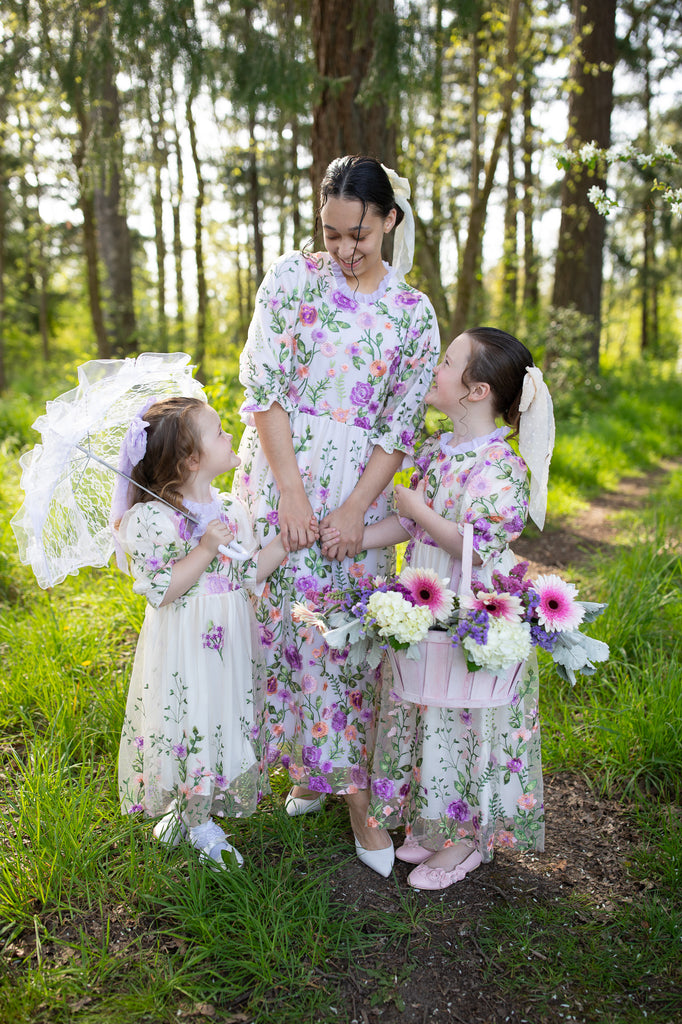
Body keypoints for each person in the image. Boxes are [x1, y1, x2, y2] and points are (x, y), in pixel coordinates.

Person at [232, 155, 440, 876]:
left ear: (389, 221)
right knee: (276, 626)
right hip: (281, 468)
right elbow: (263, 386)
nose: (345, 249)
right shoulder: (292, 278)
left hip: (360, 488)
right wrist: (289, 492)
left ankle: (356, 796)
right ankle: (305, 767)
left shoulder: (413, 313)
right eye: (332, 233)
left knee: (344, 639)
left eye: (359, 234)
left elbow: (400, 423)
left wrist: (354, 509)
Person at [322, 327, 553, 889]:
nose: (435, 368)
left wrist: (420, 510)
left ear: (476, 391)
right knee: (428, 707)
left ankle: (467, 838)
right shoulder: (438, 449)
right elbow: (409, 524)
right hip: (428, 596)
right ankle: (434, 820)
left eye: (448, 362)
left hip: (470, 607)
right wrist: (354, 536)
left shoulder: (500, 464)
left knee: (465, 712)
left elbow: (478, 546)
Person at [114, 396, 297, 869]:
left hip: (228, 638)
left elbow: (249, 571)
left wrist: (286, 541)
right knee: (189, 717)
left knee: (221, 713)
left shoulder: (231, 508)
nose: (230, 434)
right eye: (218, 432)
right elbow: (162, 590)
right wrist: (204, 548)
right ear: (192, 460)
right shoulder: (153, 519)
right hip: (186, 643)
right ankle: (197, 821)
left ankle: (192, 809)